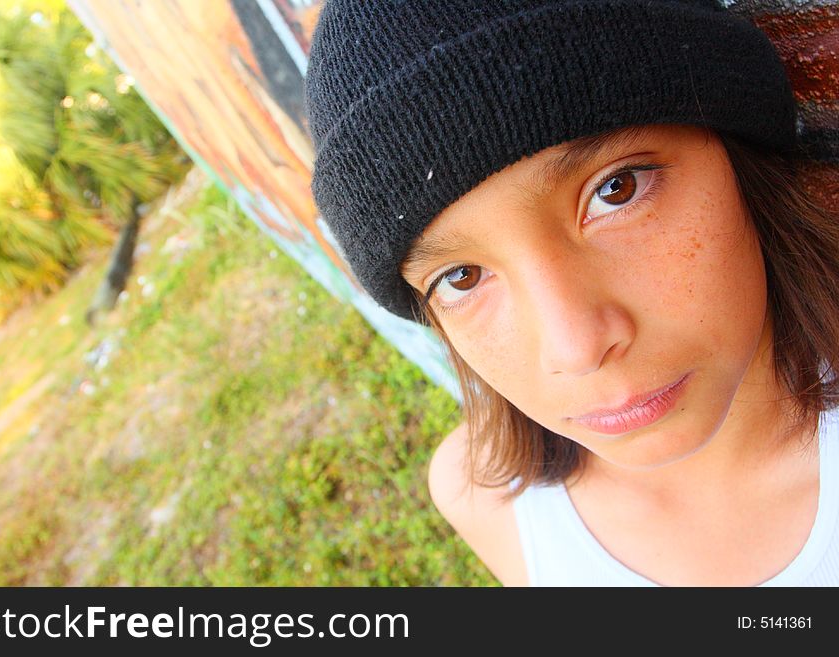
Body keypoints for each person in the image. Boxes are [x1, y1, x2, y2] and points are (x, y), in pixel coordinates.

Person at [304, 0, 839, 586]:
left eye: (617, 189)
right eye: (461, 278)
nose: (576, 347)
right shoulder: (484, 498)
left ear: (738, 153)